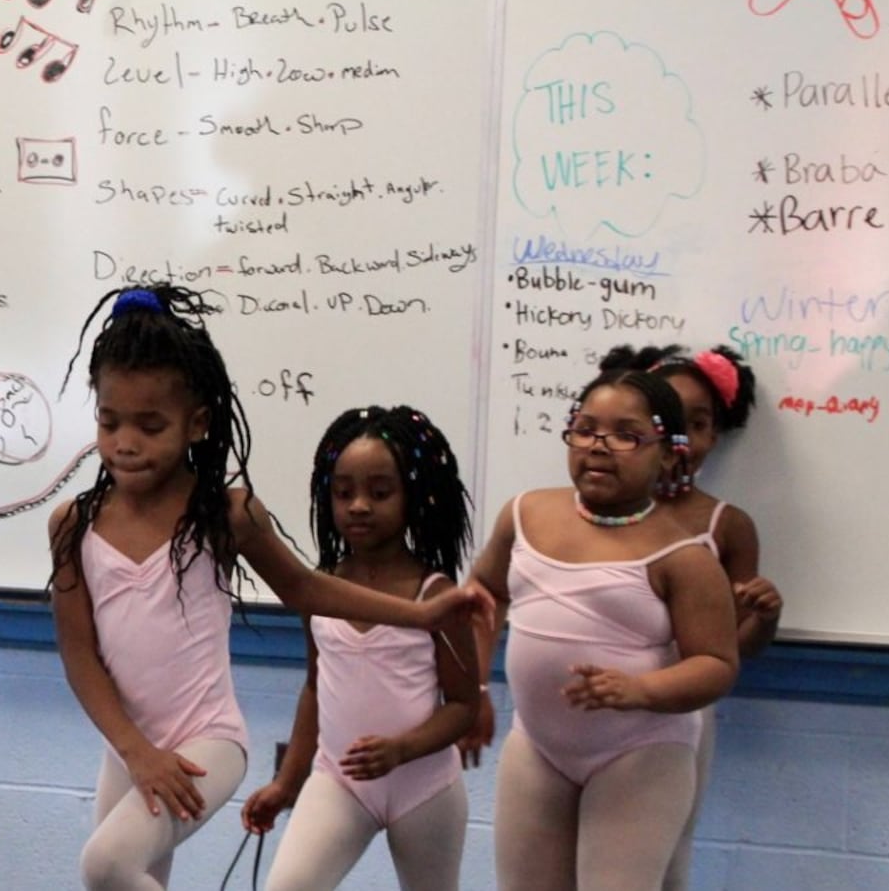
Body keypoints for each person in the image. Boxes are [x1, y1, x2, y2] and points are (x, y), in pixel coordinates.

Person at [47, 286, 491, 891]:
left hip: (208, 744)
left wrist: (423, 615)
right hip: (128, 749)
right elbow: (79, 655)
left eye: (150, 426)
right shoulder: (73, 524)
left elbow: (309, 590)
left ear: (197, 423)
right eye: (109, 421)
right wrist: (133, 751)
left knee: (105, 864)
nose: (125, 442)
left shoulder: (225, 514)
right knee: (123, 877)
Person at [466, 368, 739, 890]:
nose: (599, 446)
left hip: (640, 754)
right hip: (539, 746)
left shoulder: (684, 556)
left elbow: (717, 665)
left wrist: (641, 689)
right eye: (586, 429)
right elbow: (483, 594)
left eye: (626, 435)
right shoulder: (524, 513)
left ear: (668, 454)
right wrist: (474, 689)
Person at [241, 405, 478, 891]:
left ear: (413, 496)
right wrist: (287, 783)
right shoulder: (320, 589)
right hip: (340, 781)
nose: (359, 506)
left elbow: (463, 706)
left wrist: (402, 748)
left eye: (380, 492)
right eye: (343, 493)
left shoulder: (434, 594)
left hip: (423, 786)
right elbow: (314, 689)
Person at [606, 344, 779, 891]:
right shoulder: (597, 511)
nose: (684, 437)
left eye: (699, 423)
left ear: (715, 436)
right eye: (670, 421)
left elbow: (734, 648)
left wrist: (764, 618)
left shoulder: (727, 526)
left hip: (682, 711)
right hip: (596, 698)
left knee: (666, 854)